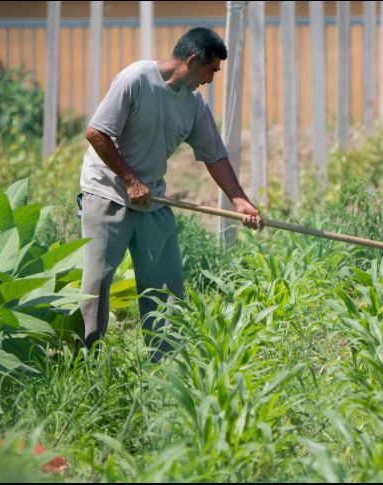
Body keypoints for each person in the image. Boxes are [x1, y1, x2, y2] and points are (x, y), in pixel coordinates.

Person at [79, 27, 262, 360]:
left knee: (166, 288)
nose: (210, 80)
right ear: (192, 61)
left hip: (152, 200)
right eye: (210, 71)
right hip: (106, 192)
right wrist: (130, 180)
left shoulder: (192, 104)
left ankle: (166, 368)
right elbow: (97, 133)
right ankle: (85, 365)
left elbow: (215, 155)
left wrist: (240, 200)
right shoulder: (135, 79)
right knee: (96, 284)